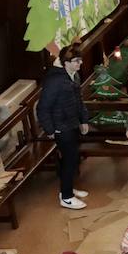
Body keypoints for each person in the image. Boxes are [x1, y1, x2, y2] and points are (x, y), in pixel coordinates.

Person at [36, 44, 91, 210]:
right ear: (65, 62)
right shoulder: (55, 81)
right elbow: (42, 107)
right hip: (61, 126)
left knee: (72, 159)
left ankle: (68, 189)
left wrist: (83, 120)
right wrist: (50, 130)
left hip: (72, 123)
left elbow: (78, 100)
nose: (79, 64)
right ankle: (66, 197)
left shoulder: (73, 76)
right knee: (70, 160)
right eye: (76, 61)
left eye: (80, 60)